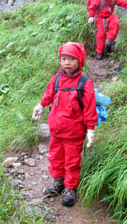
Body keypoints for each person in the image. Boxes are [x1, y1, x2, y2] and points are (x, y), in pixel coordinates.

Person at [32, 42, 97, 207]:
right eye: (63, 58)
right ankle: (58, 182)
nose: (67, 63)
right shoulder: (57, 78)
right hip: (56, 129)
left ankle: (70, 188)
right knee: (55, 157)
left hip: (74, 132)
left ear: (79, 61)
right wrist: (41, 105)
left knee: (72, 160)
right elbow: (49, 93)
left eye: (72, 59)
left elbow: (89, 108)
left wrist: (90, 129)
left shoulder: (84, 83)